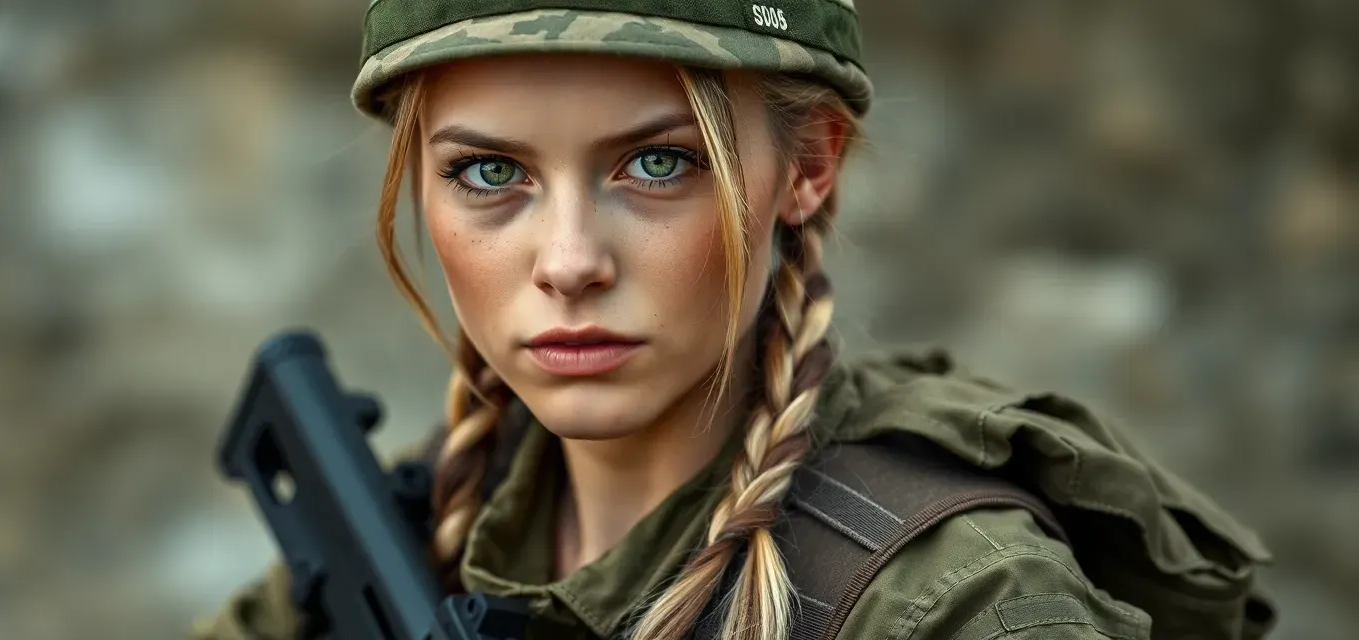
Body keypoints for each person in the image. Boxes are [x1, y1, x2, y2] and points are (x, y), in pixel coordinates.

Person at [194, 3, 1276, 639]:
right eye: (488, 173)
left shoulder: (956, 602)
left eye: (658, 163)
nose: (568, 262)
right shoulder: (428, 535)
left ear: (805, 167)